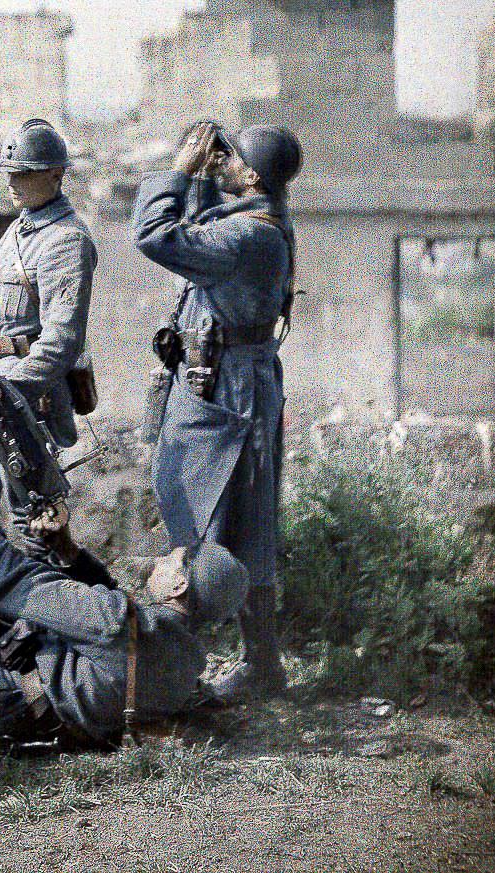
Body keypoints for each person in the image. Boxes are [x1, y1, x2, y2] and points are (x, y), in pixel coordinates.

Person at [0, 463, 250, 745]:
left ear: (179, 585)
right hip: (26, 719)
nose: (160, 561)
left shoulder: (115, 622)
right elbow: (117, 626)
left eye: (172, 559)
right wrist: (66, 550)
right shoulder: (185, 665)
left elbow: (14, 578)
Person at [132, 122, 302, 703]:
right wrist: (204, 179)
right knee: (224, 515)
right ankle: (255, 660)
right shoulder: (259, 220)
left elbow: (157, 237)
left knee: (230, 519)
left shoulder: (252, 236)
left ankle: (233, 664)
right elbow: (202, 232)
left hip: (231, 392)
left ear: (252, 176)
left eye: (231, 160)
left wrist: (178, 171)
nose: (224, 163)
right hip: (231, 379)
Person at [0, 118, 98, 556]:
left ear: (55, 175)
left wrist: (10, 391)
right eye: (9, 173)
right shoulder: (19, 231)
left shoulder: (66, 241)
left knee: (33, 515)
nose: (12, 183)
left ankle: (53, 610)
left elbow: (62, 340)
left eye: (24, 173)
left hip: (26, 397)